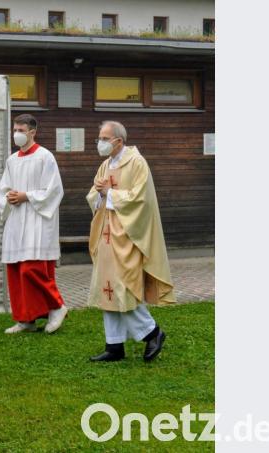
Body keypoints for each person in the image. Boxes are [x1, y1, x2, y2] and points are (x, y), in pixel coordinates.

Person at [86, 121, 175, 362]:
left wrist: (109, 193)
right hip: (106, 233)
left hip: (127, 234)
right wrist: (98, 192)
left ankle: (152, 332)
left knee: (122, 287)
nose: (100, 143)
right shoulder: (106, 164)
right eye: (99, 138)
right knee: (108, 289)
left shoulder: (137, 162)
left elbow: (141, 199)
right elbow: (95, 195)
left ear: (119, 140)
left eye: (104, 138)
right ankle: (114, 346)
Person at [0, 114, 68, 334]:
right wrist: (8, 197)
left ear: (32, 132)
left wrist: (27, 196)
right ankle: (25, 319)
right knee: (16, 270)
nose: (16, 133)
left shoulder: (45, 157)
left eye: (21, 130)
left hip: (37, 219)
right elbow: (3, 188)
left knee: (32, 268)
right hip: (17, 220)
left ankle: (57, 306)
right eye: (15, 129)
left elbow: (54, 190)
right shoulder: (12, 159)